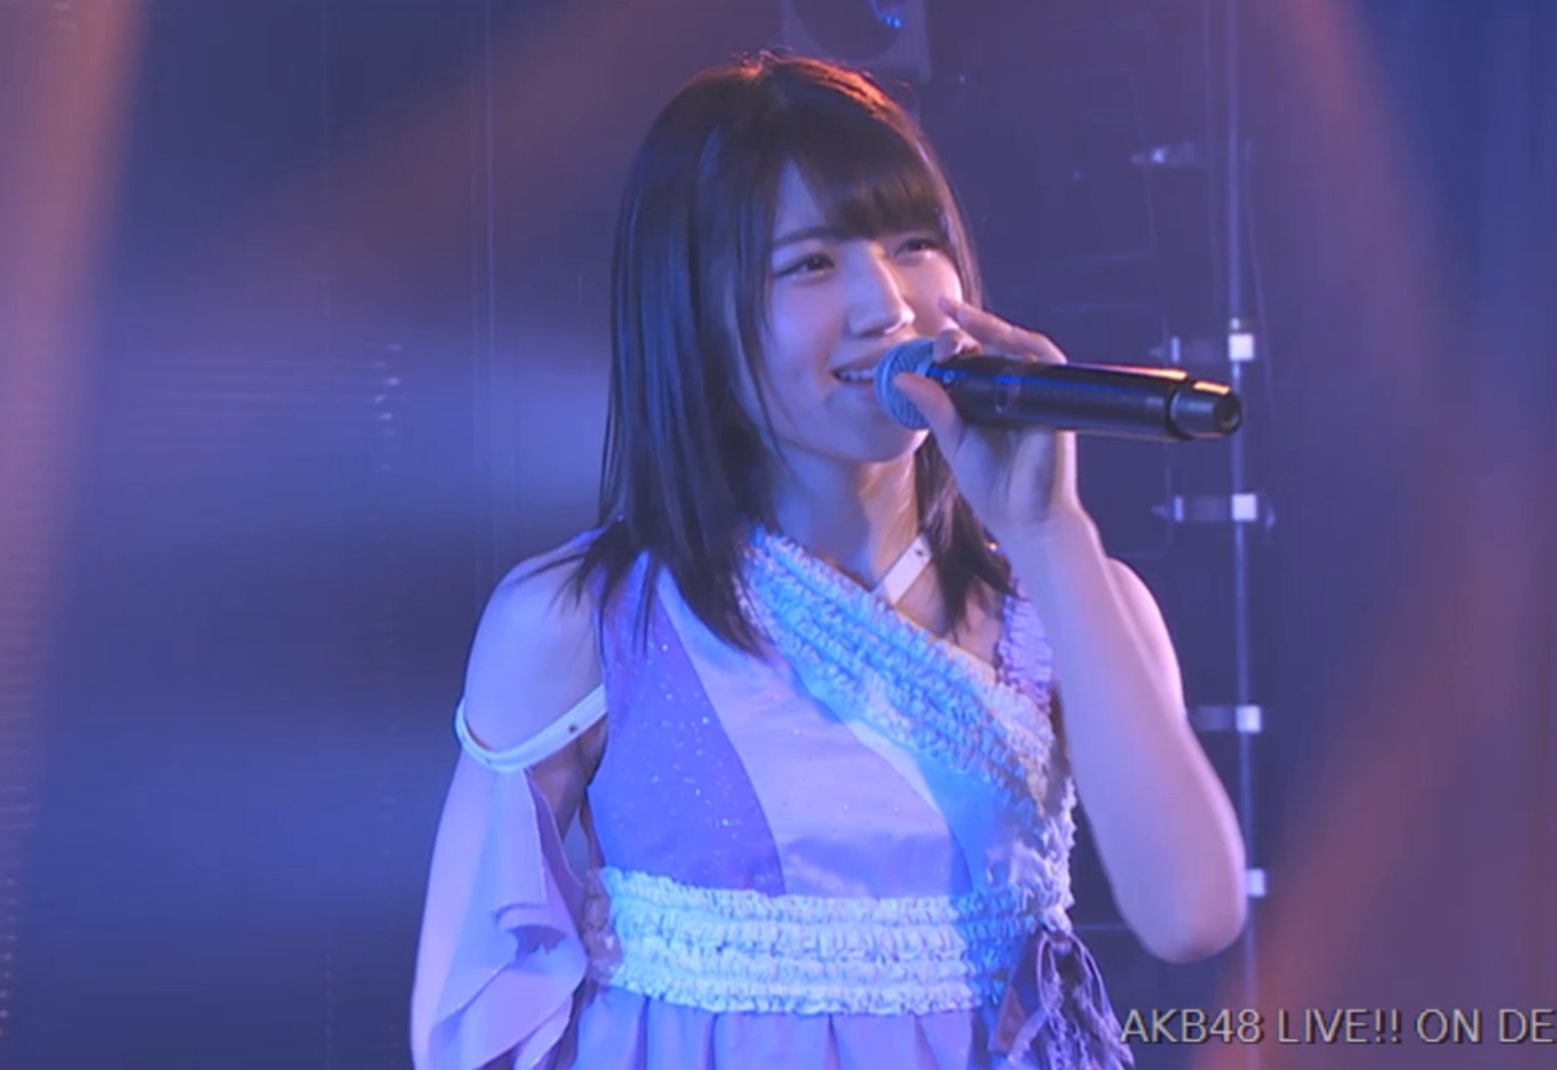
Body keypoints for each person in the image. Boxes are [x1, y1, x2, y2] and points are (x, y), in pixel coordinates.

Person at [410, 52, 1246, 1070]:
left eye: (914, 245)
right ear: (693, 309)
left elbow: (1192, 915)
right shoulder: (582, 620)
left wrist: (1049, 531)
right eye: (811, 263)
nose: (886, 305)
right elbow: (477, 1015)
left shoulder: (1069, 598)